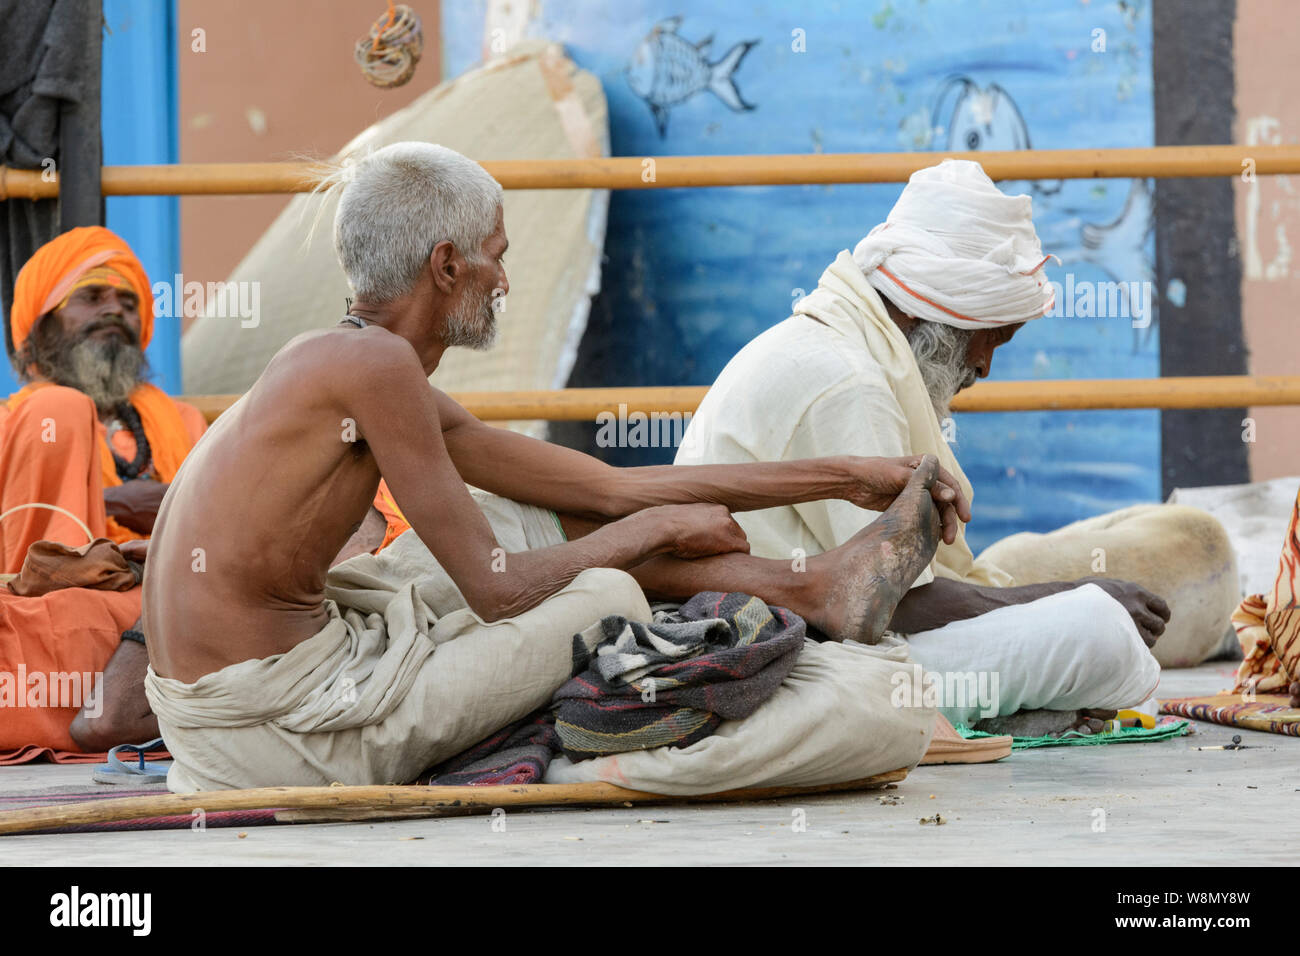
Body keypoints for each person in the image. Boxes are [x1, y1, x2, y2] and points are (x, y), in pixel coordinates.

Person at [142, 142, 966, 791]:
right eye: (496, 255)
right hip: (279, 735)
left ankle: (812, 584)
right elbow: (498, 588)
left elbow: (603, 487)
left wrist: (844, 474)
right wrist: (649, 531)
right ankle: (805, 588)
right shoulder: (379, 371)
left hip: (254, 705)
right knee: (605, 588)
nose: (506, 279)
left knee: (541, 518)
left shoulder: (347, 359)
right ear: (446, 265)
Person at [675, 159, 1238, 730]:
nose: (985, 367)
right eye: (989, 340)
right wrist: (1072, 595)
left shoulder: (843, 350)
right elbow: (894, 603)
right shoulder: (850, 382)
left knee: (1089, 629)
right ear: (943, 315)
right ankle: (1014, 701)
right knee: (1102, 635)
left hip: (793, 643)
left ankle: (1020, 703)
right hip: (789, 666)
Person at [0, 227, 206, 754]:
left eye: (128, 301)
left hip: (148, 607)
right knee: (58, 409)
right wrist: (114, 505)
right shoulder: (17, 420)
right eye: (91, 297)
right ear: (41, 328)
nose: (114, 310)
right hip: (40, 607)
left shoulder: (179, 421)